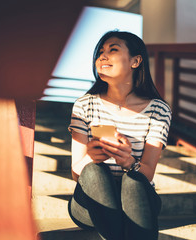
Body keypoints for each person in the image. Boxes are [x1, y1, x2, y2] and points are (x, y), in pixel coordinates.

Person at [67, 30, 172, 240]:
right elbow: (76, 173)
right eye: (100, 52)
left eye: (112, 50)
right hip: (89, 204)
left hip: (136, 201)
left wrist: (129, 161)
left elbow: (148, 172)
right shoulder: (84, 105)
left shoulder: (158, 110)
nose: (102, 57)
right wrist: (91, 157)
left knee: (133, 180)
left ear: (135, 61)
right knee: (94, 172)